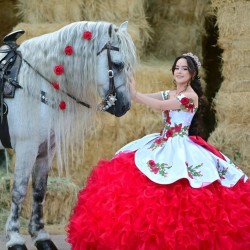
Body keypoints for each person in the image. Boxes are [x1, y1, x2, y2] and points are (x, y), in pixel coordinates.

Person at [67, 53, 250, 250]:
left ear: (193, 74)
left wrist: (137, 95)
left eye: (184, 69)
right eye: (177, 68)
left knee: (181, 185)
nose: (179, 72)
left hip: (180, 145)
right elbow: (152, 98)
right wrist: (130, 89)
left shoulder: (190, 97)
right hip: (162, 141)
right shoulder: (171, 93)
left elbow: (161, 106)